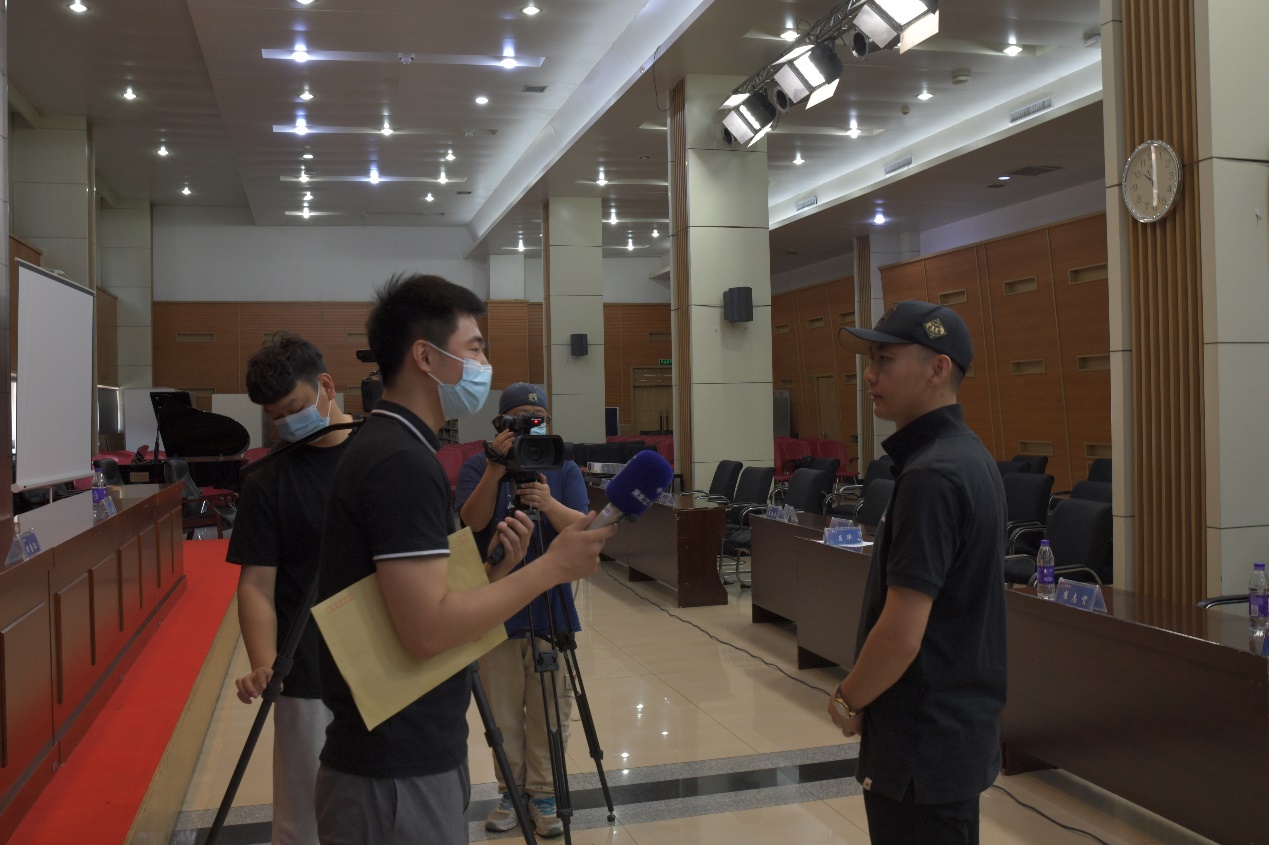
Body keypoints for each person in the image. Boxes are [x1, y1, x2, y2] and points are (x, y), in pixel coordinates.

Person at [315, 274, 615, 845]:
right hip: (395, 761)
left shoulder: (399, 447)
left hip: (411, 744)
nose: (483, 364)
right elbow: (428, 630)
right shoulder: (401, 462)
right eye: (474, 348)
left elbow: (428, 599)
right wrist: (550, 568)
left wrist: (498, 570)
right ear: (426, 357)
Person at [831, 301, 1007, 845]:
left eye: (884, 359)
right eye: (870, 359)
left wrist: (849, 698)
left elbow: (901, 633)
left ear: (938, 368)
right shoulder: (968, 456)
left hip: (920, 743)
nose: (869, 374)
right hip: (952, 733)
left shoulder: (932, 476)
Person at [226, 333, 354, 845]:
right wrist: (264, 662)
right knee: (305, 813)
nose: (287, 423)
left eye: (295, 409)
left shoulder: (381, 455)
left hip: (388, 658)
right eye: (276, 417)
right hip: (307, 669)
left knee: (383, 805)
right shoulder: (268, 480)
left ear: (326, 386)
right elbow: (257, 585)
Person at [456, 383, 589, 837]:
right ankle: (510, 792)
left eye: (539, 419)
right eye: (520, 420)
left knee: (551, 711)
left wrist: (548, 503)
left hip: (551, 608)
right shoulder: (478, 466)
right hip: (495, 610)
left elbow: (583, 528)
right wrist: (496, 469)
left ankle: (544, 794)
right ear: (500, 425)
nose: (532, 427)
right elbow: (471, 521)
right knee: (504, 714)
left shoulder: (562, 466)